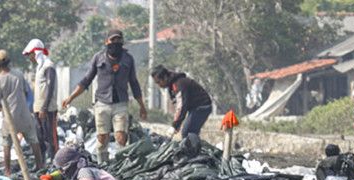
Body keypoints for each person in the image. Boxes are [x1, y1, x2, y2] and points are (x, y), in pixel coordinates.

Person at [62, 29, 147, 163]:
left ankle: (120, 164)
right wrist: (71, 97)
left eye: (118, 40)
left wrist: (142, 106)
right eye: (112, 40)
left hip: (121, 104)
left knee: (121, 137)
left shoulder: (128, 59)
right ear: (106, 42)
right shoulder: (98, 58)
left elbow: (134, 83)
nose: (115, 43)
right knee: (102, 138)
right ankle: (104, 165)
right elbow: (86, 80)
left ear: (122, 41)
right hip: (102, 103)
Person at [0, 49, 44, 176]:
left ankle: (7, 171)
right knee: (33, 140)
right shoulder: (18, 74)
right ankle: (40, 165)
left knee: (7, 143)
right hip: (24, 114)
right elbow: (26, 91)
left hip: (9, 118)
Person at [151, 65, 212, 138]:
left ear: (165, 77)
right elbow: (178, 107)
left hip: (202, 107)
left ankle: (194, 149)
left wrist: (175, 125)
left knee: (187, 132)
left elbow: (182, 106)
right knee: (189, 134)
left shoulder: (178, 84)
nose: (159, 85)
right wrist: (177, 124)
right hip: (194, 108)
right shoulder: (172, 86)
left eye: (159, 82)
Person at [23, 38, 59, 161]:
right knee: (40, 136)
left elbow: (50, 87)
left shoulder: (48, 66)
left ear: (35, 52)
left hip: (48, 109)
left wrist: (44, 107)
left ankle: (56, 163)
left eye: (30, 55)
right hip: (39, 109)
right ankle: (42, 163)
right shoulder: (39, 67)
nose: (30, 58)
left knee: (51, 137)